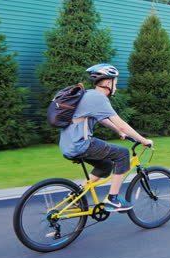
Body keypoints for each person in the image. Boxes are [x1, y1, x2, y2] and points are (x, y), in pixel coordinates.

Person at [59, 63, 153, 212]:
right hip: (81, 144)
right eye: (116, 83)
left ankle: (75, 195)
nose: (116, 87)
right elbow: (121, 123)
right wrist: (143, 140)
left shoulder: (89, 95)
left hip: (68, 145)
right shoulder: (98, 98)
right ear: (108, 82)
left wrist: (119, 132)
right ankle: (113, 199)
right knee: (122, 154)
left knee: (106, 165)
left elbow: (102, 118)